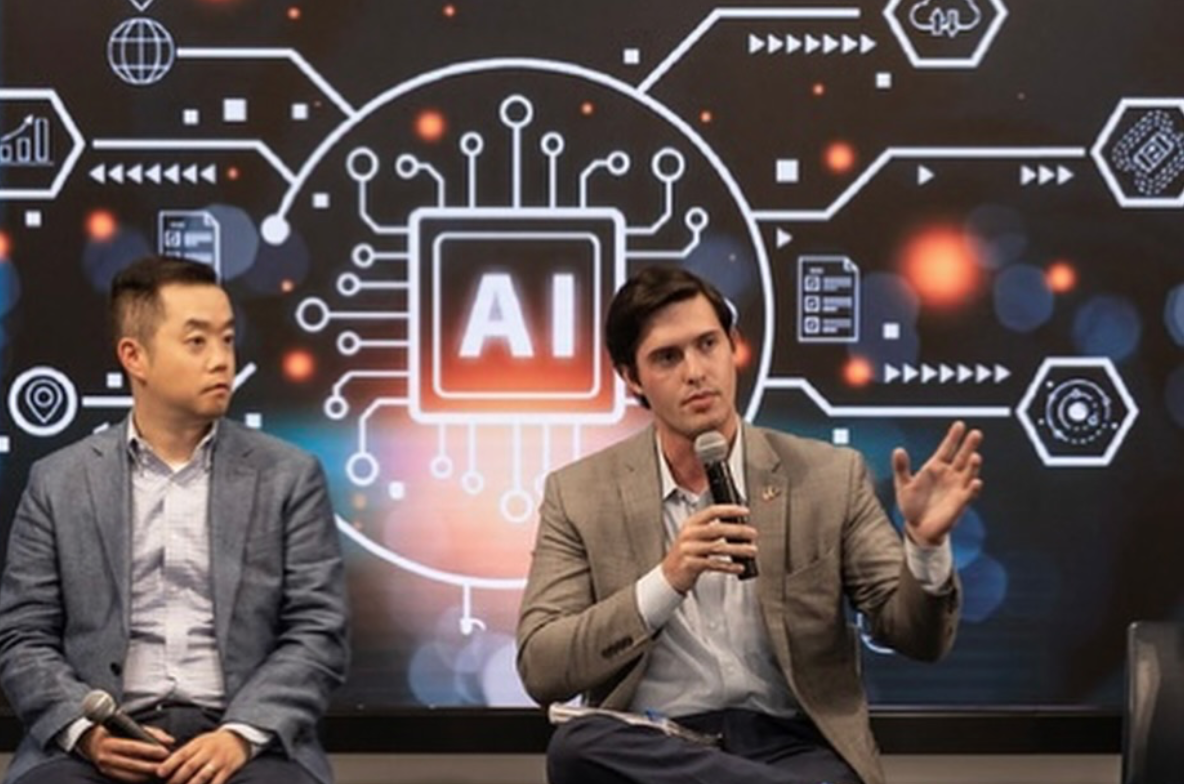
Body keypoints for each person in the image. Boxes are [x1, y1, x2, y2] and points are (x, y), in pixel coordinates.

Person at [516, 265, 983, 784]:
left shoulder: (828, 477)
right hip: (657, 743)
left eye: (707, 344)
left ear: (732, 346)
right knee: (576, 747)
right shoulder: (580, 493)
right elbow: (542, 666)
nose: (695, 371)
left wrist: (924, 545)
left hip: (792, 742)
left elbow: (918, 637)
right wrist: (665, 582)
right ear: (631, 377)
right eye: (667, 357)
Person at [0, 256, 349, 784]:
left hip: (242, 739)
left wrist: (240, 736)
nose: (222, 360)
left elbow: (319, 633)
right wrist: (88, 734)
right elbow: (22, 637)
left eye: (228, 339)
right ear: (134, 356)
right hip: (97, 740)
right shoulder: (58, 481)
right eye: (197, 342)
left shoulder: (289, 476)